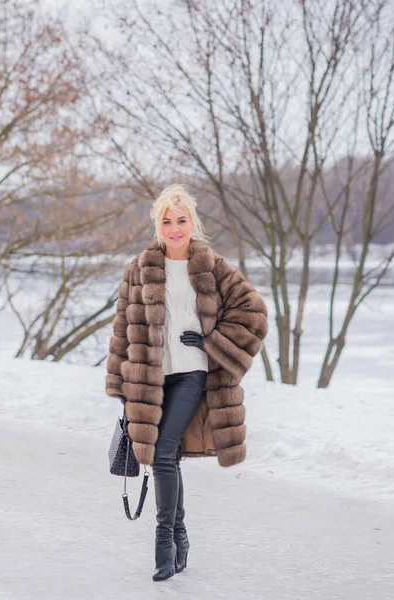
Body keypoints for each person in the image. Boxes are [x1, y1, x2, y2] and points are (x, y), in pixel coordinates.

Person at [106, 184, 268, 581]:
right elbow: (124, 329)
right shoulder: (140, 267)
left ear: (192, 222)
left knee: (162, 454)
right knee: (167, 458)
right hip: (151, 380)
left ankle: (164, 543)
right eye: (167, 221)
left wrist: (213, 342)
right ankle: (180, 536)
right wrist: (125, 389)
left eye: (181, 220)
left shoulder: (212, 267)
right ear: (157, 225)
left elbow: (254, 313)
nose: (175, 228)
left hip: (193, 374)